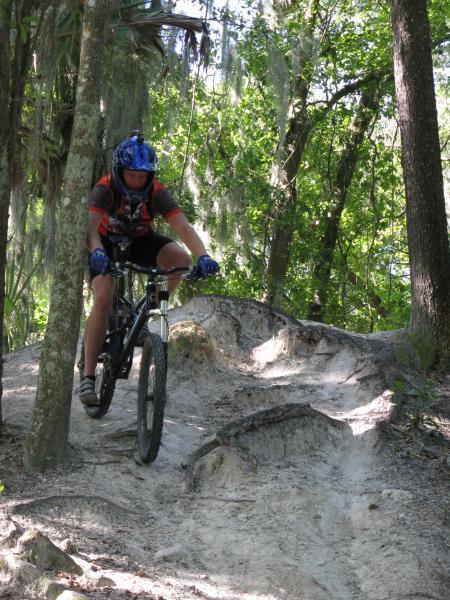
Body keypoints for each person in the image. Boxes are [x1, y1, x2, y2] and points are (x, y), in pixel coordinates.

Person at [79, 133, 219, 407]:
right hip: (105, 243)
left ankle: (145, 313)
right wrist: (96, 250)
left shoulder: (157, 192)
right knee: (104, 299)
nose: (137, 181)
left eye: (142, 176)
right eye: (131, 175)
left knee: (181, 261)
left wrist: (203, 256)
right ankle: (87, 376)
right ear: (120, 171)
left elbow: (183, 227)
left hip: (141, 240)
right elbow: (90, 227)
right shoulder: (105, 188)